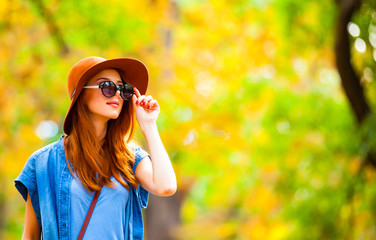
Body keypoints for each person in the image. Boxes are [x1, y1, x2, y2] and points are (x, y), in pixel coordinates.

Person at [15, 56, 177, 240]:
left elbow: (166, 187)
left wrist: (149, 125)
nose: (116, 94)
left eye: (122, 89)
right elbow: (30, 235)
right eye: (107, 87)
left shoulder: (129, 157)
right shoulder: (43, 162)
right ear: (81, 94)